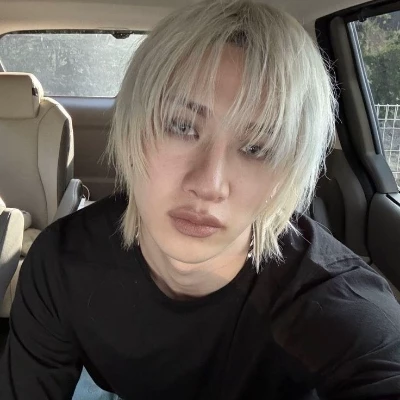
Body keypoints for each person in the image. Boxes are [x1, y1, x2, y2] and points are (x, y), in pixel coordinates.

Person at [1, 0, 400, 399]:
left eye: (257, 148)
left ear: (285, 175)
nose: (210, 184)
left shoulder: (334, 304)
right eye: (180, 125)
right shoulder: (61, 265)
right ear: (132, 130)